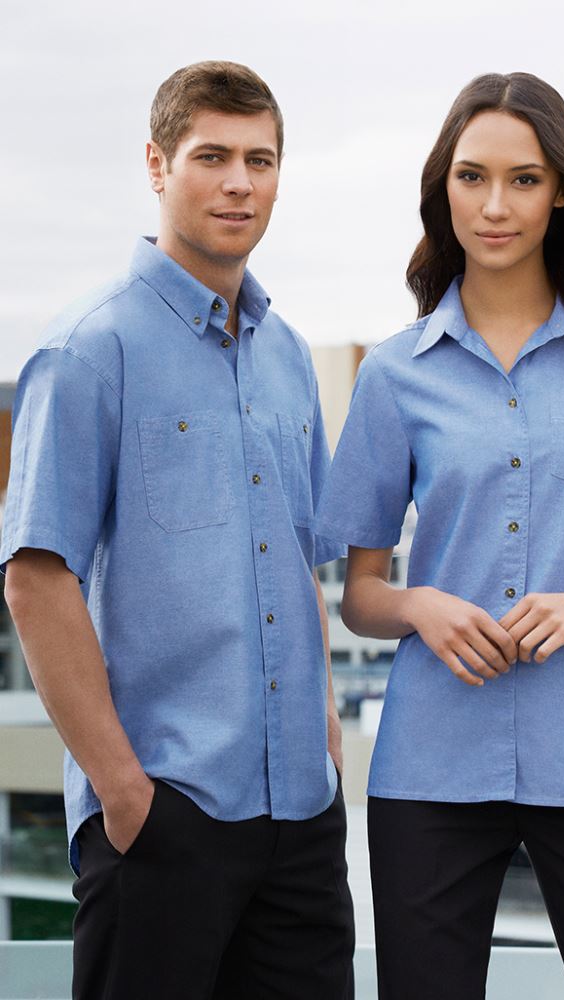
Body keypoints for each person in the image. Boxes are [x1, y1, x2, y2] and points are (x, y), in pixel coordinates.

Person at [314, 72, 564, 1000]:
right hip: (430, 768)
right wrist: (422, 608)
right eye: (472, 177)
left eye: (524, 179)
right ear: (441, 189)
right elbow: (360, 595)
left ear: (562, 189)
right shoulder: (395, 376)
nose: (495, 206)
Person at [1, 61, 354, 999]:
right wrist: (124, 793)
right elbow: (35, 581)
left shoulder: (285, 357)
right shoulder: (88, 351)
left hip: (301, 821)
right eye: (212, 156)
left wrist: (323, 737)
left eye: (261, 158)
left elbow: (300, 565)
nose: (240, 181)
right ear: (157, 165)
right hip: (164, 818)